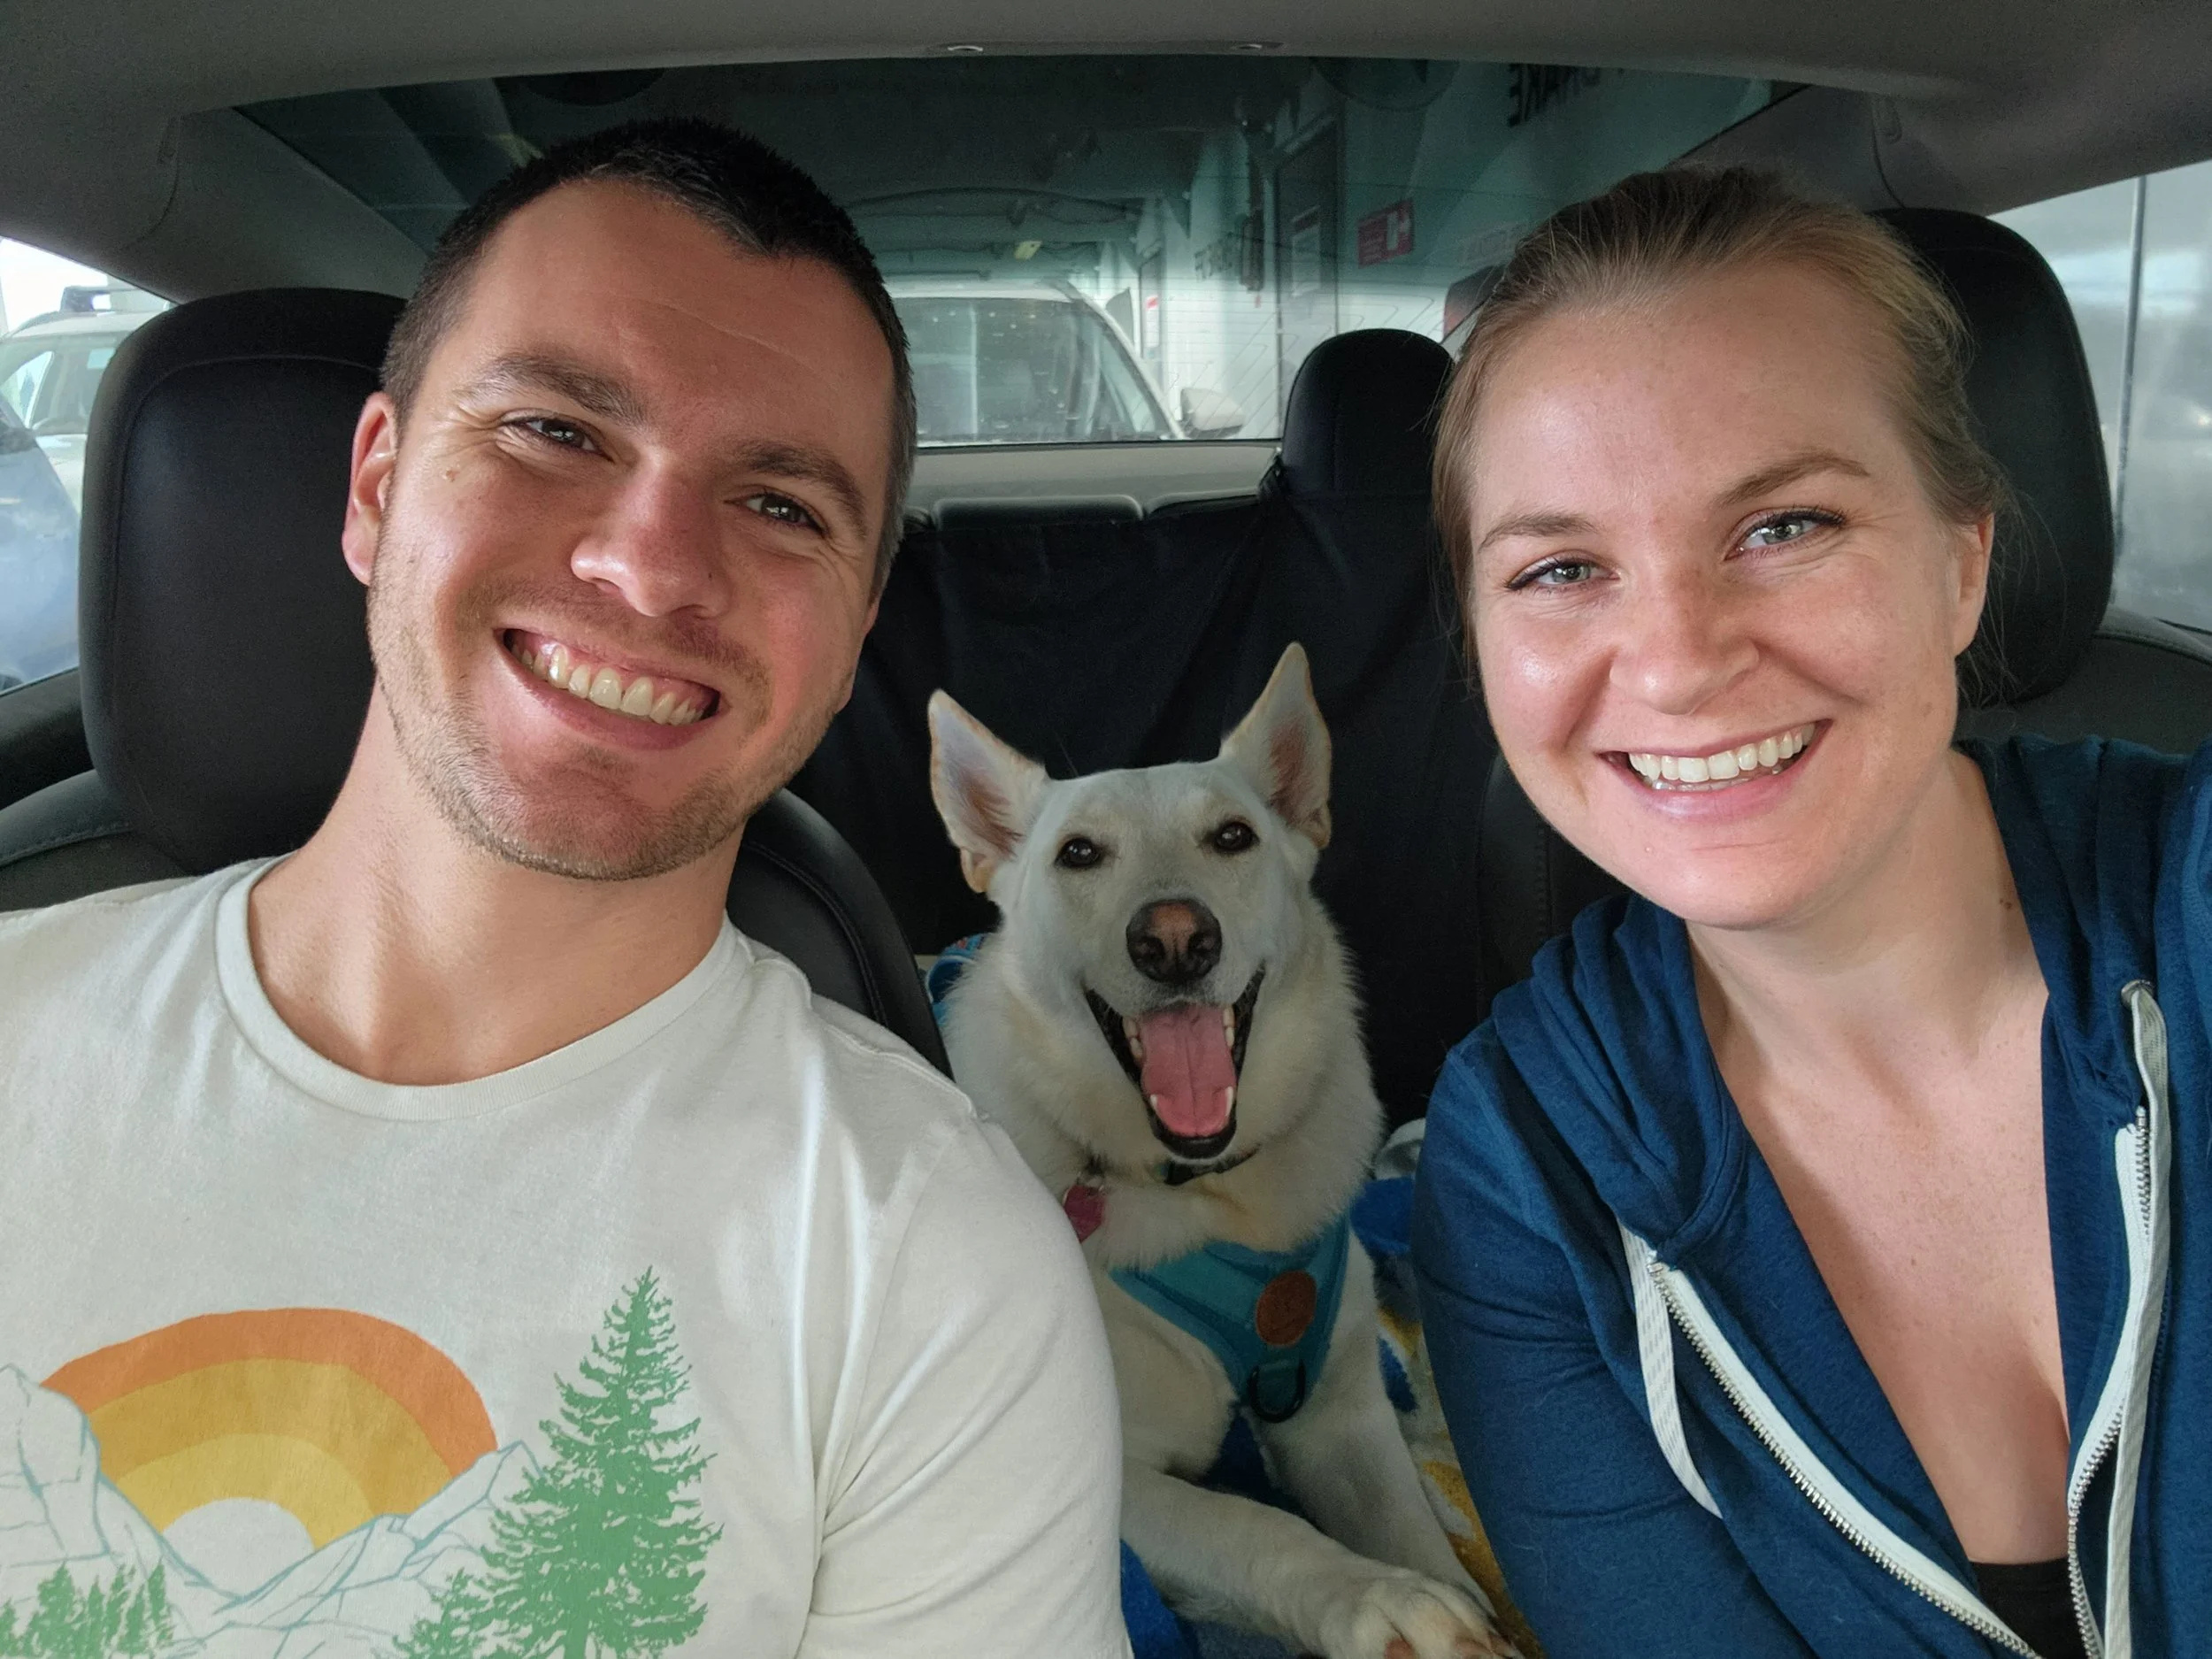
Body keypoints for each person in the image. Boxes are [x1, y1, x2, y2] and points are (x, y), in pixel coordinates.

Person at [0, 119, 1128, 1656]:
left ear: (854, 633)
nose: (652, 567)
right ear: (378, 485)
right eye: (556, 430)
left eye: (781, 506)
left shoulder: (936, 1265)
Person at [1411, 166, 2212, 1659]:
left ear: (1963, 563)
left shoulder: (2194, 900)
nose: (1676, 662)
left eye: (1783, 526)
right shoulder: (1529, 1166)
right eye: (1563, 568)